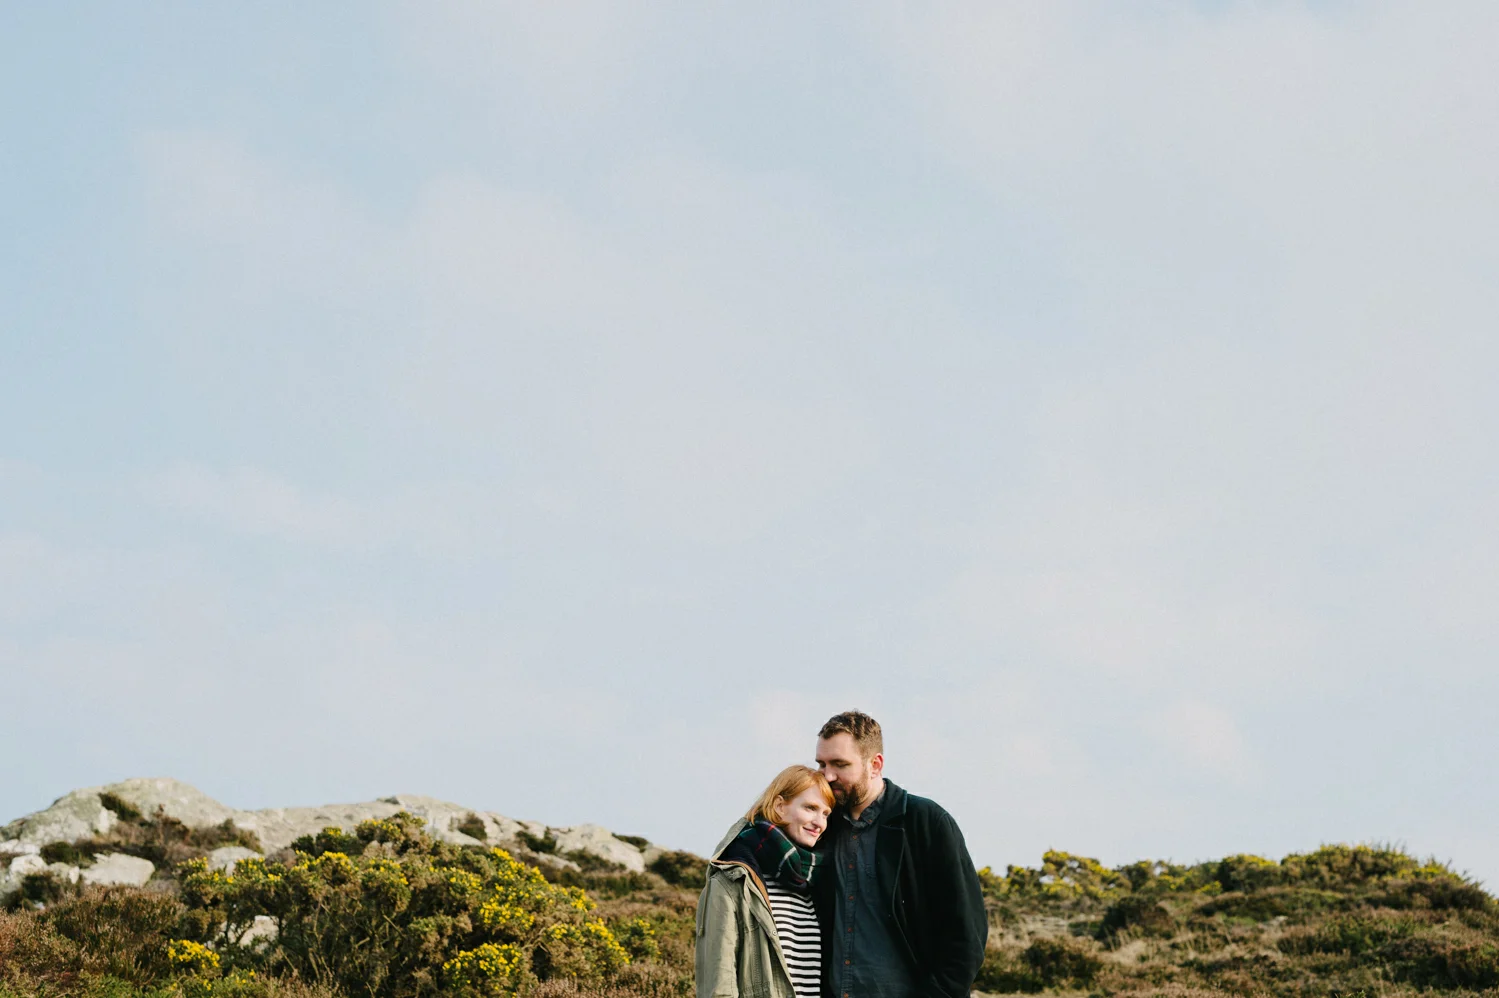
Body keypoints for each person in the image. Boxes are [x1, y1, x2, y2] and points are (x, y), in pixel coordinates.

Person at [812, 711, 987, 998]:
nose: (827, 775)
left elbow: (967, 937)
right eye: (821, 763)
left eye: (840, 764)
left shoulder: (926, 822)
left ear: (875, 764)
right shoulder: (820, 827)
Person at [697, 765, 835, 998]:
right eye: (810, 808)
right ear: (780, 806)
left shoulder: (817, 882)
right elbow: (719, 983)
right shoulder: (734, 877)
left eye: (825, 814)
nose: (819, 822)